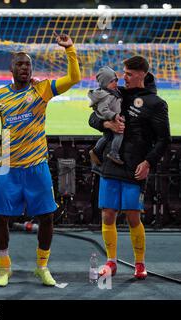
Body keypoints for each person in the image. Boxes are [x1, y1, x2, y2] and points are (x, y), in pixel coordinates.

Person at [0, 33, 81, 287]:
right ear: (11, 69)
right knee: (1, 217)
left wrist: (69, 49)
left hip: (37, 165)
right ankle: (4, 268)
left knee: (47, 216)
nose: (25, 68)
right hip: (8, 167)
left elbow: (74, 79)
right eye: (20, 64)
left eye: (28, 64)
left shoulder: (42, 88)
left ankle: (42, 267)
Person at [89, 56, 171, 279]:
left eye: (128, 74)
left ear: (142, 74)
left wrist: (148, 163)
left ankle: (139, 264)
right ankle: (111, 262)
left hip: (135, 168)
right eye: (123, 73)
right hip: (110, 164)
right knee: (107, 214)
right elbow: (92, 119)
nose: (123, 77)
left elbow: (164, 140)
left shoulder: (156, 104)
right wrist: (107, 123)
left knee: (133, 216)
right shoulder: (118, 95)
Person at [88, 66, 124, 166]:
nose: (116, 83)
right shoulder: (106, 95)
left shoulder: (114, 92)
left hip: (113, 117)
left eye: (116, 80)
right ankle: (114, 153)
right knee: (119, 134)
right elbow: (102, 111)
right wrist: (113, 117)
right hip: (110, 118)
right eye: (112, 81)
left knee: (107, 136)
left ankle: (96, 150)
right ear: (105, 83)